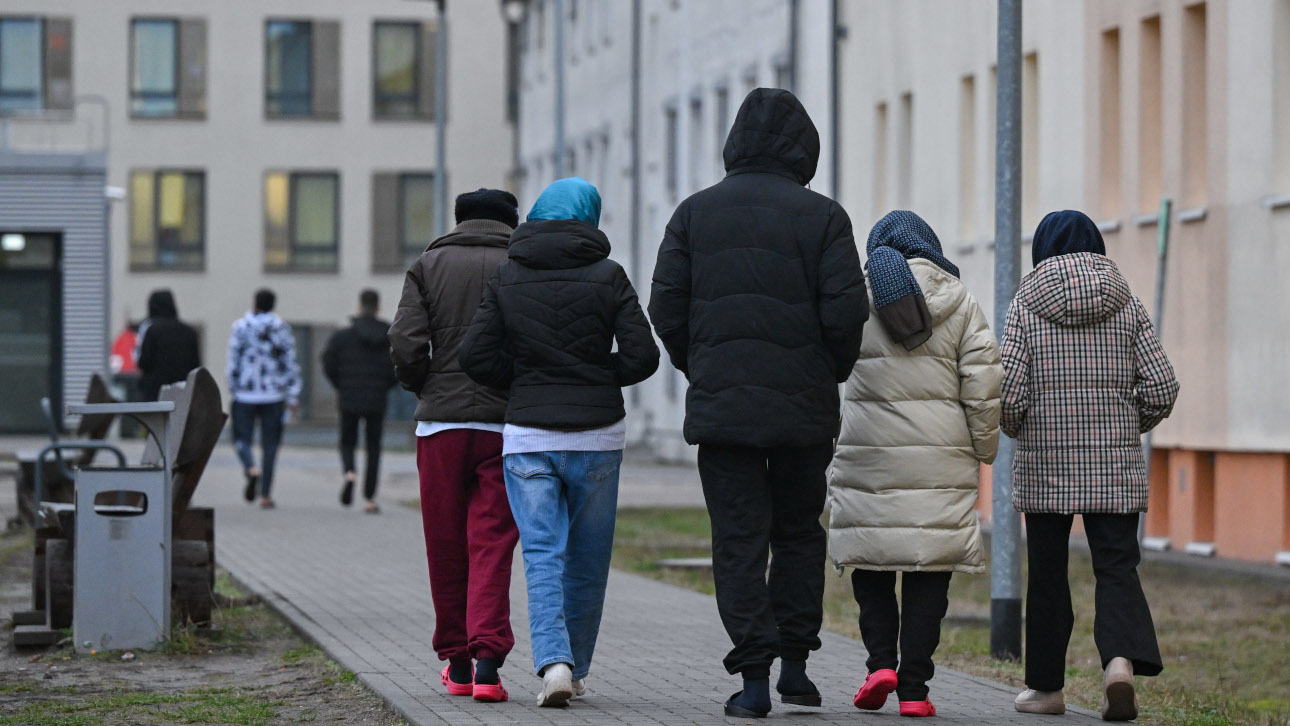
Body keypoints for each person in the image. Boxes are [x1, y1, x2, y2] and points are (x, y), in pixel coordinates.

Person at [649, 88, 868, 718]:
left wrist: (705, 367)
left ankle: (752, 681)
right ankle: (796, 669)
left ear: (735, 141)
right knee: (799, 533)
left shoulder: (693, 215)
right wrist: (828, 372)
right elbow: (846, 312)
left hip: (724, 414)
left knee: (738, 540)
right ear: (804, 147)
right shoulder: (825, 218)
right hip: (803, 412)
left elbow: (666, 308)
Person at [461, 177, 658, 708]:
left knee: (542, 555)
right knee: (588, 560)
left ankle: (555, 663)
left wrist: (525, 378)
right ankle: (577, 665)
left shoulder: (508, 276)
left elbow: (475, 357)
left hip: (528, 436)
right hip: (597, 436)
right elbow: (643, 357)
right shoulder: (609, 275)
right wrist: (596, 374)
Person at [1001, 210, 1179, 721]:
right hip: (1115, 463)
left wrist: (1022, 430)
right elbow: (1163, 385)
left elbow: (1008, 395)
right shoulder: (1126, 302)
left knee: (1049, 575)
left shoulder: (1025, 304)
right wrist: (1129, 424)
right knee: (1117, 567)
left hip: (1047, 465)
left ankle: (1046, 689)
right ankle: (1118, 664)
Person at [827, 211, 1001, 718]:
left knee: (872, 559)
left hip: (867, 457)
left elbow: (828, 364)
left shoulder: (856, 299)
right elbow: (985, 384)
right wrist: (983, 450)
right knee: (930, 572)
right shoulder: (961, 302)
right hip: (940, 461)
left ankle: (880, 664)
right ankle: (914, 689)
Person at [388, 188, 524, 703]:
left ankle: (459, 665)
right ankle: (488, 665)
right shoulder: (521, 262)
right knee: (491, 544)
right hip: (504, 425)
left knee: (445, 545)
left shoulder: (428, 264)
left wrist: (423, 384)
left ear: (460, 219)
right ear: (512, 221)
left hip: (440, 426)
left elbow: (404, 340)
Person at [322, 289, 397, 513]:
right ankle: (369, 498)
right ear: (377, 308)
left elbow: (328, 364)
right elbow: (399, 366)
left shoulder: (342, 337)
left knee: (347, 441)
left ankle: (350, 473)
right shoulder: (389, 335)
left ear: (359, 307)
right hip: (376, 398)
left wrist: (341, 385)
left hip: (349, 397)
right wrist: (385, 386)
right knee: (373, 448)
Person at [227, 288, 301, 509]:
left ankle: (251, 467)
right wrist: (294, 393)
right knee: (270, 446)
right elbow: (290, 362)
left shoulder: (240, 327)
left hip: (245, 393)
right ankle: (266, 495)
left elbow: (233, 360)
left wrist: (233, 387)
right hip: (274, 394)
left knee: (241, 438)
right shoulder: (281, 328)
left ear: (255, 303)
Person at [134, 289, 201, 401]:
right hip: (183, 394)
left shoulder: (152, 331)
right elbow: (196, 365)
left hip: (155, 394)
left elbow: (144, 362)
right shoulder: (189, 332)